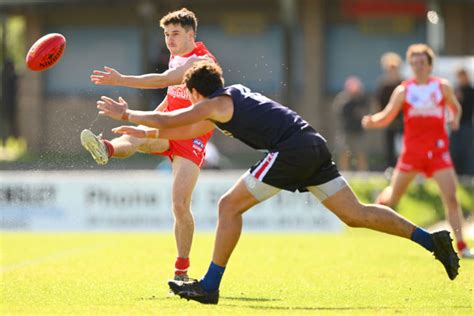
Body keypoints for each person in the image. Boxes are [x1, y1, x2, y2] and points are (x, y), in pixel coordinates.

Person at [95, 61, 460, 305]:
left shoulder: (212, 103)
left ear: (195, 91)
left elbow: (180, 119)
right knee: (355, 214)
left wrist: (126, 113)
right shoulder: (228, 97)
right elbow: (185, 127)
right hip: (311, 143)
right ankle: (434, 241)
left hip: (292, 150)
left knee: (228, 205)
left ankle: (209, 285)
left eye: (189, 94)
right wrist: (141, 129)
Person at [81, 8, 218, 281]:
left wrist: (122, 80)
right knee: (134, 135)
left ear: (192, 34)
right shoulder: (176, 56)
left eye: (175, 34)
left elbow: (165, 80)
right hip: (169, 124)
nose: (169, 39)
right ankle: (106, 148)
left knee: (179, 205)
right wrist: (149, 121)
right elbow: (170, 96)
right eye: (166, 34)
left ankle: (182, 271)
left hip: (191, 136)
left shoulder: (202, 60)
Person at [362, 44, 473, 259]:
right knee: (393, 197)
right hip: (412, 154)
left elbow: (455, 108)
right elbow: (387, 114)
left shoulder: (442, 87)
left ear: (430, 65)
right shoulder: (404, 90)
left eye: (422, 62)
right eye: (414, 63)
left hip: (438, 153)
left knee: (451, 198)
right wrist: (372, 121)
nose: (418, 66)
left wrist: (456, 119)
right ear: (410, 66)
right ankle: (374, 211)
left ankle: (462, 246)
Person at [333, 76, 369, 171]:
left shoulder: (362, 99)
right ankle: (344, 172)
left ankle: (363, 173)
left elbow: (364, 112)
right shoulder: (343, 99)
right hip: (346, 130)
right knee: (344, 153)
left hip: (359, 131)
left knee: (361, 153)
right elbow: (340, 111)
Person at [375, 52, 404, 168]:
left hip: (403, 122)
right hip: (389, 122)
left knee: (403, 148)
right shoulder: (383, 85)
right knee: (390, 148)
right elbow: (379, 104)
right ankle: (391, 169)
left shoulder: (403, 83)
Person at [450, 68, 474, 175]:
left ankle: (469, 175)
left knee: (468, 151)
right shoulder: (456, 90)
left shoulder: (470, 90)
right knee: (454, 150)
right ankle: (456, 173)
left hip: (467, 124)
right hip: (456, 124)